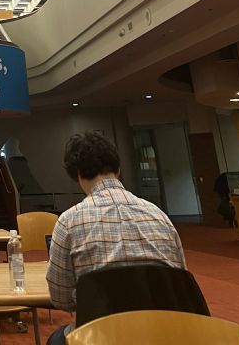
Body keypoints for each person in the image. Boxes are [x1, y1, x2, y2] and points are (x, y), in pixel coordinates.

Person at [46, 132, 187, 345]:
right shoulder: (160, 216)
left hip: (100, 337)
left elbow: (60, 298)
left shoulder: (68, 222)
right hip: (165, 334)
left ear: (77, 174)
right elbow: (181, 283)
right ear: (118, 169)